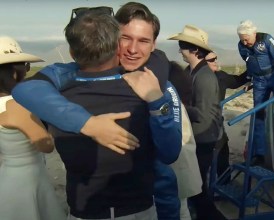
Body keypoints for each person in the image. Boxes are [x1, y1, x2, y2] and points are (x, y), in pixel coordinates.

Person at [13, 4, 182, 220]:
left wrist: (157, 99)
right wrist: (89, 123)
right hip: (106, 208)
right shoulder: (61, 85)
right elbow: (28, 89)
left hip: (150, 200)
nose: (132, 49)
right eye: (125, 38)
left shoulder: (157, 86)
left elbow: (170, 153)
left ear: (153, 46)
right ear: (112, 40)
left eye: (143, 41)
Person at [0, 36, 67, 220]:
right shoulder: (19, 105)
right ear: (14, 72)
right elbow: (46, 145)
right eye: (26, 67)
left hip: (6, 176)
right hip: (28, 179)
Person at [168, 25, 226, 220]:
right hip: (198, 138)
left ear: (193, 49)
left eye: (182, 46)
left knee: (196, 190)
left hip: (204, 139)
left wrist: (178, 105)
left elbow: (204, 115)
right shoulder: (193, 72)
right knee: (195, 188)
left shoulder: (205, 77)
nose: (180, 51)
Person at [237, 20, 274, 166]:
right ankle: (259, 154)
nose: (245, 42)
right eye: (242, 39)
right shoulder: (241, 46)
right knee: (258, 115)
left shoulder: (266, 40)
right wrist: (249, 80)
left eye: (246, 39)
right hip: (259, 82)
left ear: (254, 34)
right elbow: (249, 63)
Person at [168, 61, 203, 220]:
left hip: (175, 172)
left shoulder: (169, 108)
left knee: (179, 209)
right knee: (182, 208)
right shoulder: (179, 106)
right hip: (181, 173)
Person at [205, 51, 249, 177]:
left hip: (215, 120)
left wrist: (252, 70)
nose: (216, 62)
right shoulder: (194, 76)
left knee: (222, 149)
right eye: (212, 60)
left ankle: (223, 180)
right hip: (200, 122)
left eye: (216, 59)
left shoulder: (220, 76)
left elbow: (237, 81)